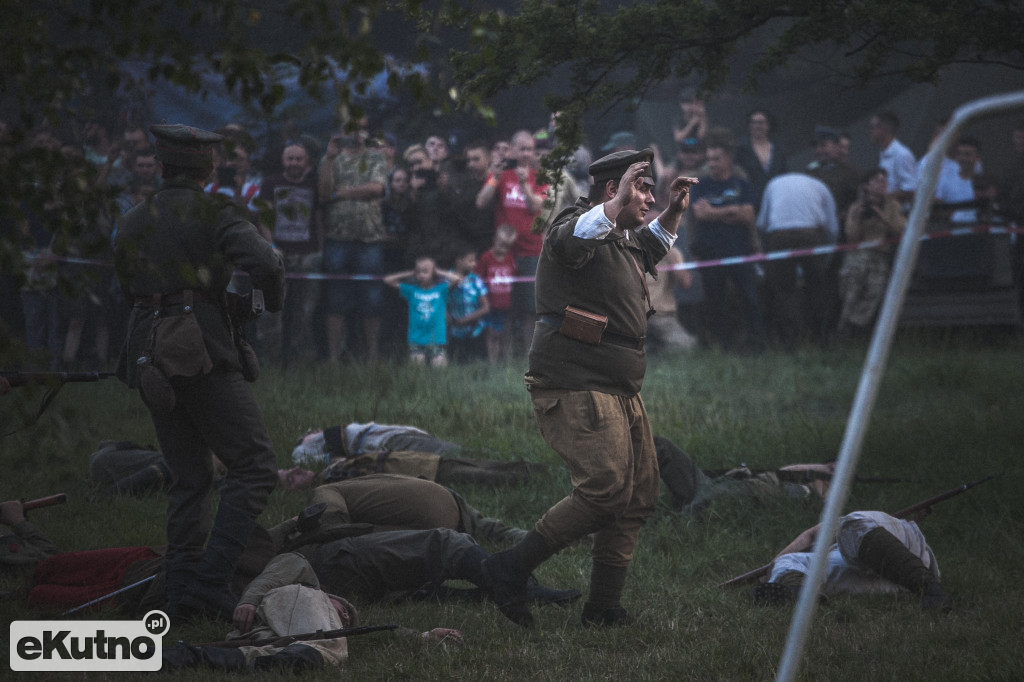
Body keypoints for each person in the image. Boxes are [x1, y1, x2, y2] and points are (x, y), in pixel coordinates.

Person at [480, 148, 697, 628]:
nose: (648, 196)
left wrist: (672, 214)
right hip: (576, 379)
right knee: (603, 490)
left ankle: (602, 608)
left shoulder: (621, 237)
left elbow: (646, 246)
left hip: (619, 384)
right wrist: (618, 202)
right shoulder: (576, 223)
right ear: (610, 190)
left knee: (636, 496)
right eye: (640, 188)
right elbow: (572, 240)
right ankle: (509, 569)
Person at [112, 123, 285, 622]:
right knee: (253, 464)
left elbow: (128, 286)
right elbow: (265, 265)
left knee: (189, 477)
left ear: (162, 167)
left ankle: (181, 586)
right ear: (209, 168)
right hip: (199, 348)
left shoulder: (133, 218)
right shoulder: (216, 210)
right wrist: (266, 303)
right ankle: (209, 584)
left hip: (148, 348)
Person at [751, 511, 952, 611]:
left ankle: (930, 588)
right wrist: (772, 573)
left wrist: (769, 570)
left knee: (852, 525)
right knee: (788, 560)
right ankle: (800, 595)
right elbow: (811, 538)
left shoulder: (853, 525)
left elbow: (812, 535)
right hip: (892, 581)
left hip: (907, 552)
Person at [273, 473, 529, 549]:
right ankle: (548, 535)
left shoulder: (324, 492)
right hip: (445, 498)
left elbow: (333, 533)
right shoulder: (345, 488)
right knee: (494, 530)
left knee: (336, 541)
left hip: (433, 513)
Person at [318, 117, 388, 364]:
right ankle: (335, 359)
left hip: (371, 238)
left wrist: (341, 193)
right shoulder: (330, 158)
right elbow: (324, 193)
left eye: (361, 128)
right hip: (337, 237)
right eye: (351, 127)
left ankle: (371, 358)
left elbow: (376, 189)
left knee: (372, 298)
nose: (356, 132)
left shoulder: (375, 157)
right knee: (336, 299)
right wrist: (328, 157)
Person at [475, 130, 549, 352]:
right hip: (504, 252)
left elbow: (536, 206)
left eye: (530, 149)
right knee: (503, 308)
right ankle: (504, 358)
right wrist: (495, 177)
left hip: (531, 251)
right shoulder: (502, 176)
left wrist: (524, 183)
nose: (526, 153)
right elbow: (481, 202)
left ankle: (529, 356)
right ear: (513, 149)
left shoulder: (541, 177)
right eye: (522, 148)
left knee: (530, 309)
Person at [690, 141, 768, 352]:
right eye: (709, 160)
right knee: (716, 301)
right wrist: (732, 210)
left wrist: (714, 212)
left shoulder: (742, 185)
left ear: (728, 159)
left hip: (739, 251)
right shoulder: (701, 186)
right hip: (710, 252)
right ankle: (723, 346)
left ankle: (756, 344)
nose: (712, 164)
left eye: (716, 159)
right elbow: (700, 214)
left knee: (748, 299)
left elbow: (749, 215)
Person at [255, 139, 322, 363]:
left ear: (307, 162)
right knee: (273, 309)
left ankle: (298, 357)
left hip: (307, 255)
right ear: (283, 161)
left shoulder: (315, 185)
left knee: (305, 310)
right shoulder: (270, 183)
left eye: (298, 158)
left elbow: (320, 219)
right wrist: (271, 245)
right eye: (290, 158)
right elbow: (263, 217)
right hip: (277, 254)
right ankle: (270, 359)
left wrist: (320, 250)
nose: (294, 162)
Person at [755, 172, 839, 344]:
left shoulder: (774, 183)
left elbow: (762, 223)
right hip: (811, 235)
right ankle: (819, 336)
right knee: (816, 286)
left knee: (784, 290)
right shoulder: (821, 186)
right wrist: (828, 255)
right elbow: (832, 227)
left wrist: (766, 249)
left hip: (779, 236)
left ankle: (790, 338)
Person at [836, 168, 906, 337]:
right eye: (877, 180)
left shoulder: (892, 205)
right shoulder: (856, 207)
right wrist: (857, 218)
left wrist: (883, 217)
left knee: (874, 292)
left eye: (885, 180)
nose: (882, 184)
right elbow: (851, 238)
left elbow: (902, 231)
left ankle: (856, 326)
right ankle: (843, 333)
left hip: (880, 255)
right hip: (857, 255)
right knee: (851, 294)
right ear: (866, 186)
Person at [383, 255, 463, 367]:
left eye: (425, 271)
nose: (421, 275)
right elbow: (388, 280)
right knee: (417, 366)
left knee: (439, 367)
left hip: (436, 339)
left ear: (433, 273)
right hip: (416, 338)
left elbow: (458, 279)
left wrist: (438, 272)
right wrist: (410, 273)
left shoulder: (441, 289)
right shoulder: (411, 290)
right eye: (419, 272)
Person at [475, 224, 517, 363]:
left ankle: (504, 360)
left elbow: (514, 277)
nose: (502, 249)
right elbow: (477, 278)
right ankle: (492, 362)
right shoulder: (486, 257)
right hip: (490, 304)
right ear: (495, 239)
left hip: (505, 304)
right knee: (491, 333)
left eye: (506, 246)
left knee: (503, 333)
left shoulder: (510, 258)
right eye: (500, 244)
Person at [644, 246, 696, 352]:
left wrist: (671, 257)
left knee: (685, 345)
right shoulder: (624, 250)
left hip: (662, 316)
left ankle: (653, 349)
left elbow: (685, 283)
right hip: (632, 317)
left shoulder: (672, 252)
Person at [733, 109, 788, 210]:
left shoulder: (778, 150)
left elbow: (784, 174)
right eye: (753, 122)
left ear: (769, 125)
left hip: (776, 200)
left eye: (761, 122)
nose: (757, 126)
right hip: (750, 202)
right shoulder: (741, 149)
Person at [447, 243, 489, 362]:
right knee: (456, 363)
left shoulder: (475, 280)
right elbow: (440, 301)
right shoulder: (445, 279)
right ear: (458, 261)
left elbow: (485, 307)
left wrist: (465, 320)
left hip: (475, 331)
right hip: (453, 332)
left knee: (477, 363)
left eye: (475, 260)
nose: (474, 264)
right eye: (470, 260)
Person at [868, 111, 917, 207]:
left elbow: (910, 190)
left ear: (884, 129)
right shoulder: (883, 154)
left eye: (873, 128)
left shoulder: (902, 154)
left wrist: (882, 199)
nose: (870, 132)